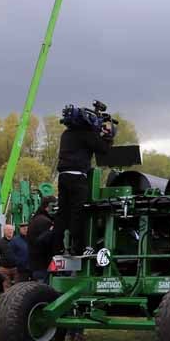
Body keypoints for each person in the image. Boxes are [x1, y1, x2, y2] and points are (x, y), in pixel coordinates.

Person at [52, 105, 114, 256]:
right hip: (78, 177)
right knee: (77, 213)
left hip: (63, 176)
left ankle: (57, 247)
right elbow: (104, 150)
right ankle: (78, 248)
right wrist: (108, 136)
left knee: (62, 213)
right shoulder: (86, 134)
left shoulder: (66, 134)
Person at [28, 197, 56, 283]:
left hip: (37, 265)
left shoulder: (36, 219)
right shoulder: (45, 221)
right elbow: (46, 242)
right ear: (48, 206)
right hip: (44, 265)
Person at [0, 223, 19, 291]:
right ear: (4, 231)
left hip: (16, 268)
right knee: (6, 286)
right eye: (8, 230)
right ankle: (7, 300)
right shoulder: (0, 242)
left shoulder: (17, 241)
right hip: (4, 268)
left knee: (17, 287)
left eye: (11, 229)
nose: (10, 231)